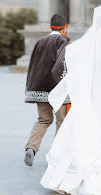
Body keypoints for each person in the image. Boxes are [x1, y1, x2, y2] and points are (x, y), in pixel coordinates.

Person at [40, 3, 101, 195]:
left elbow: (73, 55)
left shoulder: (90, 38)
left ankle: (65, 177)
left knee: (83, 129)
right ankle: (94, 178)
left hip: (90, 93)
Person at [24, 14, 70, 166]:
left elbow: (32, 66)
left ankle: (31, 147)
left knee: (44, 120)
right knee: (61, 121)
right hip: (57, 90)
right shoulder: (63, 41)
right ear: (65, 27)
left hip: (39, 89)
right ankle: (57, 155)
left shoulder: (39, 42)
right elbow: (61, 65)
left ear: (50, 26)